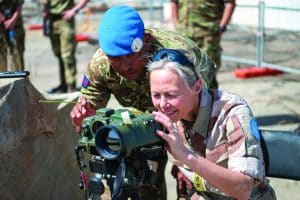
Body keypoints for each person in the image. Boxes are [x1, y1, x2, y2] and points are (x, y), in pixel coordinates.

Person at [70, 5, 217, 200]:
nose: (125, 66)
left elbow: (199, 114)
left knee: (193, 183)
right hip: (146, 119)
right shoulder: (101, 65)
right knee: (139, 181)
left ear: (146, 41)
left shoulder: (180, 57)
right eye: (116, 59)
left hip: (189, 112)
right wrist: (82, 121)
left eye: (130, 55)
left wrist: (186, 161)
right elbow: (86, 118)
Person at [147, 48, 276, 199]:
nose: (162, 104)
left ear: (196, 87)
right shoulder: (169, 115)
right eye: (156, 95)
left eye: (171, 95)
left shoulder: (232, 112)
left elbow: (243, 188)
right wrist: (182, 168)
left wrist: (186, 156)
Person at [170, 0, 236, 89]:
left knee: (208, 73)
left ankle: (210, 101)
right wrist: (176, 23)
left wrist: (222, 26)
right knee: (184, 72)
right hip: (184, 35)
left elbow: (230, 3)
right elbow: (174, 2)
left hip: (207, 35)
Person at [41, 0, 89, 93]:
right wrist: (45, 25)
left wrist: (74, 10)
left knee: (67, 56)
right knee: (58, 55)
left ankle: (71, 86)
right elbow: (45, 7)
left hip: (65, 20)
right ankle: (63, 85)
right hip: (51, 21)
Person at [0, 0, 25, 72]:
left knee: (17, 54)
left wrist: (13, 20)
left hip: (16, 25)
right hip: (1, 27)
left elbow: (19, 4)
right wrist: (4, 20)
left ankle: (19, 79)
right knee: (1, 56)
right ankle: (2, 81)